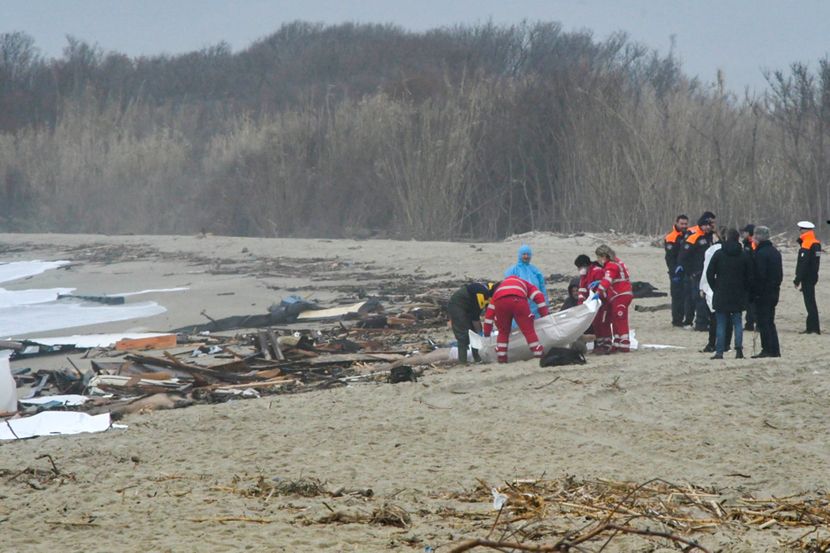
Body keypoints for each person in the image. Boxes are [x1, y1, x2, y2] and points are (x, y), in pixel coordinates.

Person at [706, 228, 753, 359]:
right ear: (738, 238)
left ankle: (719, 351)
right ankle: (739, 350)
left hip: (721, 291)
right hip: (738, 293)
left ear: (726, 238)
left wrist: (715, 287)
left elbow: (709, 273)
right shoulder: (744, 255)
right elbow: (750, 276)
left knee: (721, 322)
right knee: (737, 322)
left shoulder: (719, 254)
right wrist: (745, 290)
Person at [482, 276, 550, 363]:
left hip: (500, 303)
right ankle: (538, 353)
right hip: (519, 300)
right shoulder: (524, 283)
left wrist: (487, 334)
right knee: (528, 330)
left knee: (503, 332)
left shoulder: (497, 293)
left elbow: (489, 316)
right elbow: (539, 296)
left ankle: (502, 357)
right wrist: (544, 315)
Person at [677, 216, 715, 330]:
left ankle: (705, 320)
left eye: (709, 225)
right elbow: (683, 256)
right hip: (697, 273)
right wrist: (691, 272)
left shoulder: (709, 237)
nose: (708, 227)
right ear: (701, 226)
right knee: (698, 298)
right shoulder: (693, 237)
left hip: (707, 272)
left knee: (707, 297)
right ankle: (700, 323)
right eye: (705, 225)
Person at [593, 244, 633, 353]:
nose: (599, 260)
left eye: (599, 257)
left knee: (620, 318)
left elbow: (607, 280)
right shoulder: (617, 262)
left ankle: (624, 343)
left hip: (621, 295)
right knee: (615, 318)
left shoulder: (612, 265)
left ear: (604, 256)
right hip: (619, 295)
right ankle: (617, 342)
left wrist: (598, 291)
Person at [751, 226, 783, 358]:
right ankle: (775, 349)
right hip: (774, 291)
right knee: (770, 321)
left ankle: (767, 349)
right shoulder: (775, 252)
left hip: (763, 293)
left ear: (758, 237)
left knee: (763, 322)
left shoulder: (761, 254)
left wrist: (756, 293)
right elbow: (779, 275)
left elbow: (759, 276)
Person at [699, 228, 732, 353]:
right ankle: (726, 344)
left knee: (714, 318)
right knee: (729, 317)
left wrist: (702, 287)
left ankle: (712, 344)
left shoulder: (712, 250)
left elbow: (707, 270)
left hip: (713, 287)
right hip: (730, 287)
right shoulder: (736, 249)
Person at [447, 282, 494, 363]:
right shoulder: (481, 295)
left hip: (469, 305)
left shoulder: (491, 292)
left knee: (474, 334)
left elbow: (488, 313)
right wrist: (480, 333)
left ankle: (478, 358)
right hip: (458, 305)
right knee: (463, 334)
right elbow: (475, 318)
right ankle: (463, 361)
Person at [504, 245, 548, 318]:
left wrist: (545, 302)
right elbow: (508, 288)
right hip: (520, 304)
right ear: (519, 255)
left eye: (528, 254)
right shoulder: (513, 270)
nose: (526, 256)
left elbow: (542, 286)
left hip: (535, 304)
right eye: (524, 254)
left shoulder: (535, 270)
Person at [794, 221, 822, 334]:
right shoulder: (816, 243)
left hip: (807, 277)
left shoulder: (807, 243)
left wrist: (797, 279)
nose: (800, 231)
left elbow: (803, 263)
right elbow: (816, 263)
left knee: (809, 303)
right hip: (813, 276)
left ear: (805, 230)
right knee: (811, 302)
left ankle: (812, 328)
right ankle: (813, 327)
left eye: (800, 229)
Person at [664, 214, 689, 327]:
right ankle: (677, 320)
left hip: (686, 270)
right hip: (675, 271)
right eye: (682, 224)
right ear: (676, 223)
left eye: (685, 224)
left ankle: (685, 318)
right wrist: (674, 272)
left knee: (686, 296)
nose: (684, 226)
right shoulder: (671, 237)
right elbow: (669, 258)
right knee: (677, 296)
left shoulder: (688, 235)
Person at [741, 224, 757, 331]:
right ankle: (749, 322)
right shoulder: (747, 244)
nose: (743, 234)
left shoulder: (751, 244)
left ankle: (750, 322)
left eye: (745, 232)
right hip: (749, 276)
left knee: (750, 302)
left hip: (751, 277)